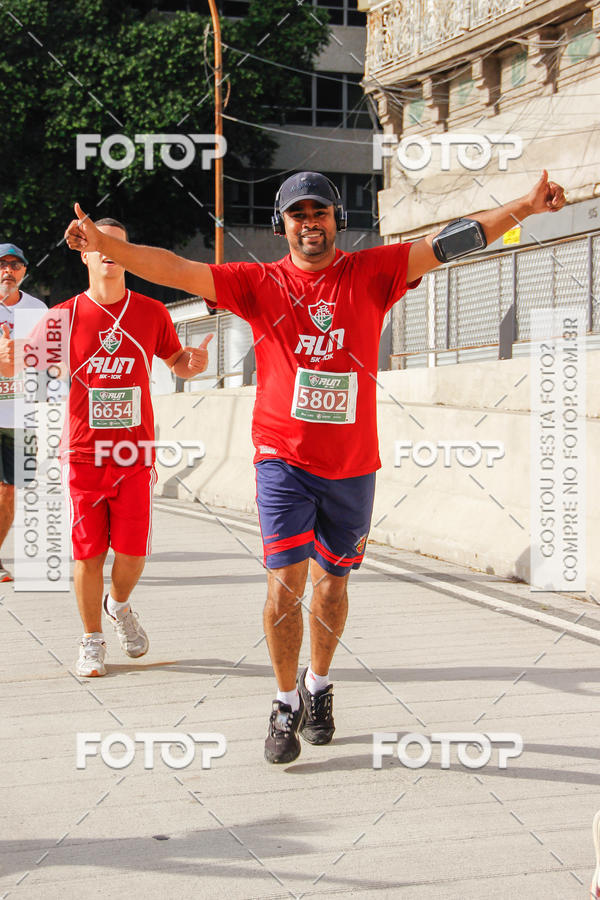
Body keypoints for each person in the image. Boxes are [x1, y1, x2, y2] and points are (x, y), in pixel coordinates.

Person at [64, 170, 566, 759]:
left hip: (351, 465)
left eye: (320, 212)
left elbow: (453, 240)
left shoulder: (373, 272)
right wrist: (108, 245)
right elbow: (175, 268)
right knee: (285, 586)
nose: (309, 223)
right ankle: (283, 703)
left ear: (337, 220)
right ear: (282, 226)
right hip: (282, 459)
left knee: (332, 588)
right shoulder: (258, 283)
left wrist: (525, 206)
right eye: (297, 215)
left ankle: (318, 686)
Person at [0, 219, 212, 676]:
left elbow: (176, 360)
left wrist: (190, 364)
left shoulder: (152, 312)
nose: (110, 251)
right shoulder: (63, 317)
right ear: (86, 254)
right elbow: (23, 365)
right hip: (82, 454)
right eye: (100, 244)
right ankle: (92, 639)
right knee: (88, 554)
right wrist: (8, 361)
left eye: (119, 244)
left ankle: (118, 604)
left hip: (134, 455)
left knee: (133, 555)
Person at [0, 243, 46, 582]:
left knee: (9, 490)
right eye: (2, 264)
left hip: (20, 418)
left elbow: (50, 363)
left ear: (24, 272)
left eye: (15, 265)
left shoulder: (37, 309)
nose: (8, 270)